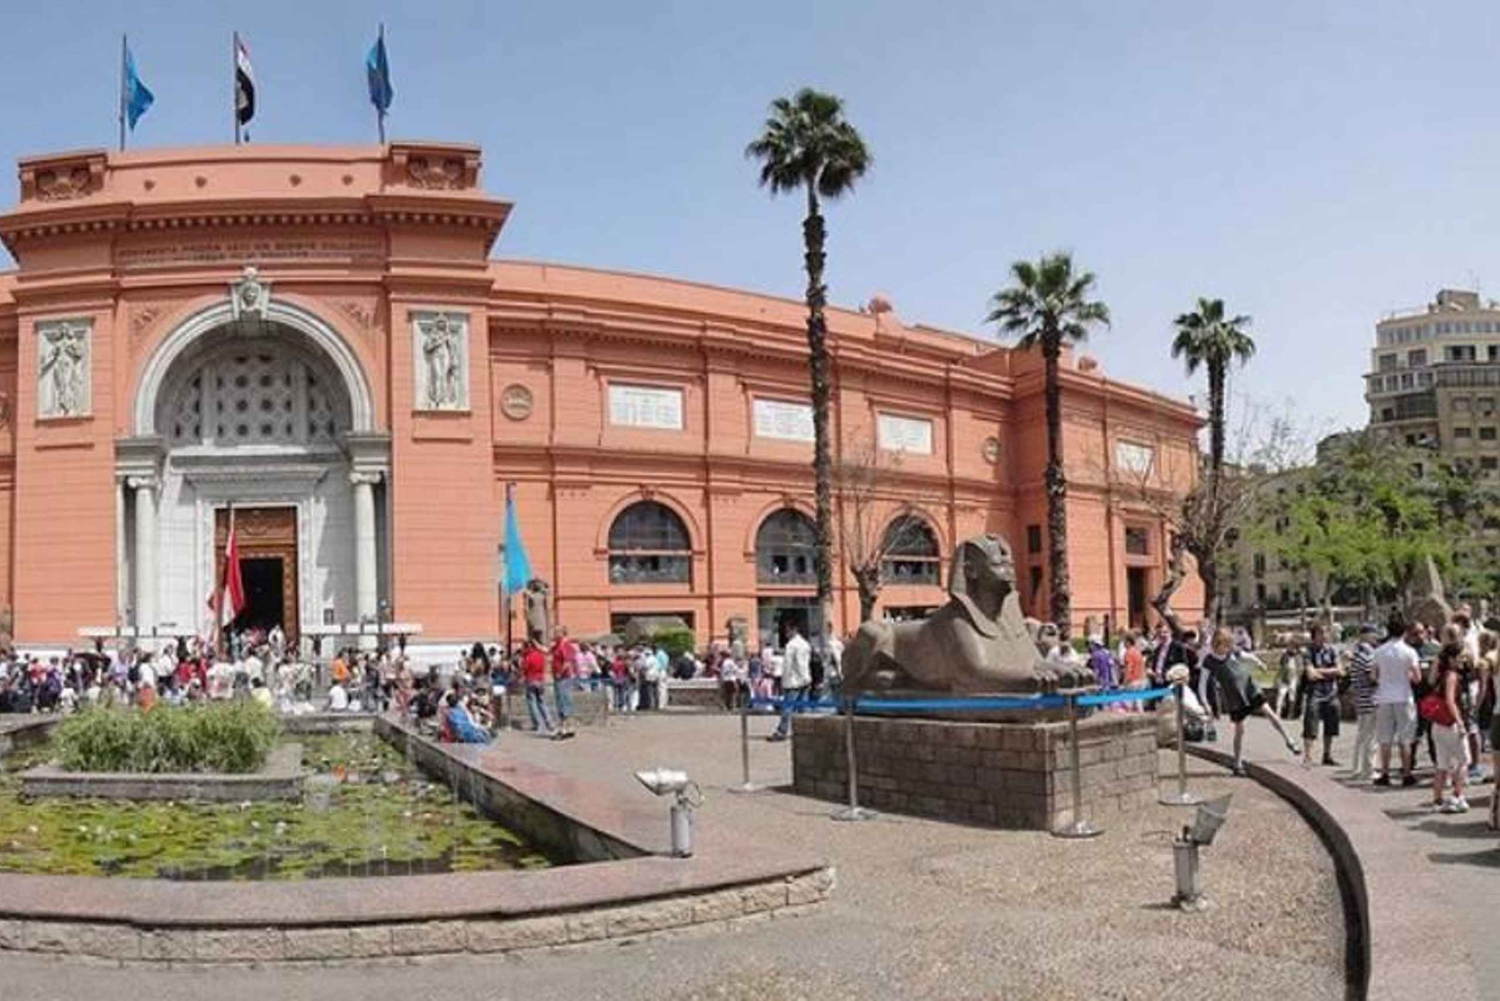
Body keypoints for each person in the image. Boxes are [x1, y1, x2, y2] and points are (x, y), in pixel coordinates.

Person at [1202, 627, 1300, 774]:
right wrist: (1204, 701)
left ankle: (1289, 740)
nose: (1226, 649)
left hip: (1249, 687)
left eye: (1228, 645)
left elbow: (1247, 656)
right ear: (1216, 644)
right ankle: (1237, 763)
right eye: (1223, 645)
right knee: (1239, 730)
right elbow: (1202, 684)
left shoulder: (1232, 652)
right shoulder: (1209, 661)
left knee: (1269, 712)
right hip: (1235, 696)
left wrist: (1259, 663)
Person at [1372, 613, 1422, 787]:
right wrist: (1406, 675)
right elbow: (1417, 678)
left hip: (1384, 696)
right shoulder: (1409, 652)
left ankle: (1384, 773)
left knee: (1384, 739)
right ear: (1404, 631)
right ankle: (1407, 773)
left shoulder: (1379, 651)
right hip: (1404, 696)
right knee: (1405, 738)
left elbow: (1373, 675)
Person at [1426, 641, 1470, 813]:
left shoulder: (1440, 674)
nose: (1463, 659)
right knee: (1464, 760)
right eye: (1461, 656)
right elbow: (1450, 701)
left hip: (1438, 724)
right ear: (1452, 658)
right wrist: (1460, 722)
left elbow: (1430, 682)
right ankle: (1457, 796)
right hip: (1451, 724)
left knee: (1442, 764)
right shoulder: (1452, 676)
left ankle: (1437, 800)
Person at [1301, 624, 1344, 766]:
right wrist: (1331, 672)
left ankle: (1327, 755)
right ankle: (1308, 756)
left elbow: (1340, 671)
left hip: (1331, 692)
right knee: (1310, 724)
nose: (1325, 636)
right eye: (1321, 633)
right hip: (1315, 692)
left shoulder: (1332, 650)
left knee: (1331, 724)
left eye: (1326, 632)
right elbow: (1310, 674)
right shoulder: (1308, 652)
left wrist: (1319, 671)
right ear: (1314, 636)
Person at [767, 623, 811, 742]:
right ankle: (804, 731)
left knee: (787, 707)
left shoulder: (792, 645)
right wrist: (806, 678)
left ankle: (782, 731)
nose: (786, 634)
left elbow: (793, 664)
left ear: (793, 630)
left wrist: (786, 680)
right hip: (804, 679)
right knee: (802, 707)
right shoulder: (805, 644)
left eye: (787, 631)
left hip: (793, 681)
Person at [1349, 622, 1380, 781]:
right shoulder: (1368, 655)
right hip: (1370, 699)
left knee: (1362, 736)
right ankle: (1368, 769)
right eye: (1374, 633)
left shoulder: (1357, 654)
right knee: (1371, 737)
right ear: (1366, 635)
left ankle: (1357, 768)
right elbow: (1372, 678)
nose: (1376, 637)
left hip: (1361, 699)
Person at [521, 635, 555, 736]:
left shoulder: (528, 657)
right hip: (540, 680)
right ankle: (549, 722)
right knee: (542, 702)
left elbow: (525, 668)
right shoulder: (540, 655)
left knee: (532, 703)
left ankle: (538, 724)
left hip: (531, 680)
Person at [548, 627, 578, 739]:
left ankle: (564, 728)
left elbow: (567, 662)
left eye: (556, 632)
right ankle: (568, 728)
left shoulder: (566, 645)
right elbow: (547, 650)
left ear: (562, 633)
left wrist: (560, 673)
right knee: (561, 702)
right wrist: (536, 644)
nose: (554, 634)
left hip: (563, 678)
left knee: (564, 702)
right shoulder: (557, 645)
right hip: (558, 678)